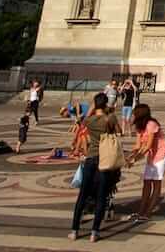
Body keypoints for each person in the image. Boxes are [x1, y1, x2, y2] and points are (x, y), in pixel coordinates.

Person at [69, 92, 119, 242]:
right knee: (101, 196)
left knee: (82, 195)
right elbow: (118, 131)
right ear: (105, 104)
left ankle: (74, 230)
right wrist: (110, 111)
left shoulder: (89, 120)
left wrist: (92, 108)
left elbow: (81, 123)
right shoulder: (109, 119)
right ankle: (94, 232)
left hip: (90, 159)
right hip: (104, 159)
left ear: (94, 104)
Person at [126, 103, 165, 221]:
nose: (133, 115)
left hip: (161, 154)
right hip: (152, 156)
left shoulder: (151, 124)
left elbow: (148, 146)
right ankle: (141, 210)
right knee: (146, 182)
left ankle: (148, 212)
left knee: (156, 182)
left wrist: (134, 160)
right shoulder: (140, 127)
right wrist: (129, 156)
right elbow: (137, 146)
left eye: (135, 113)